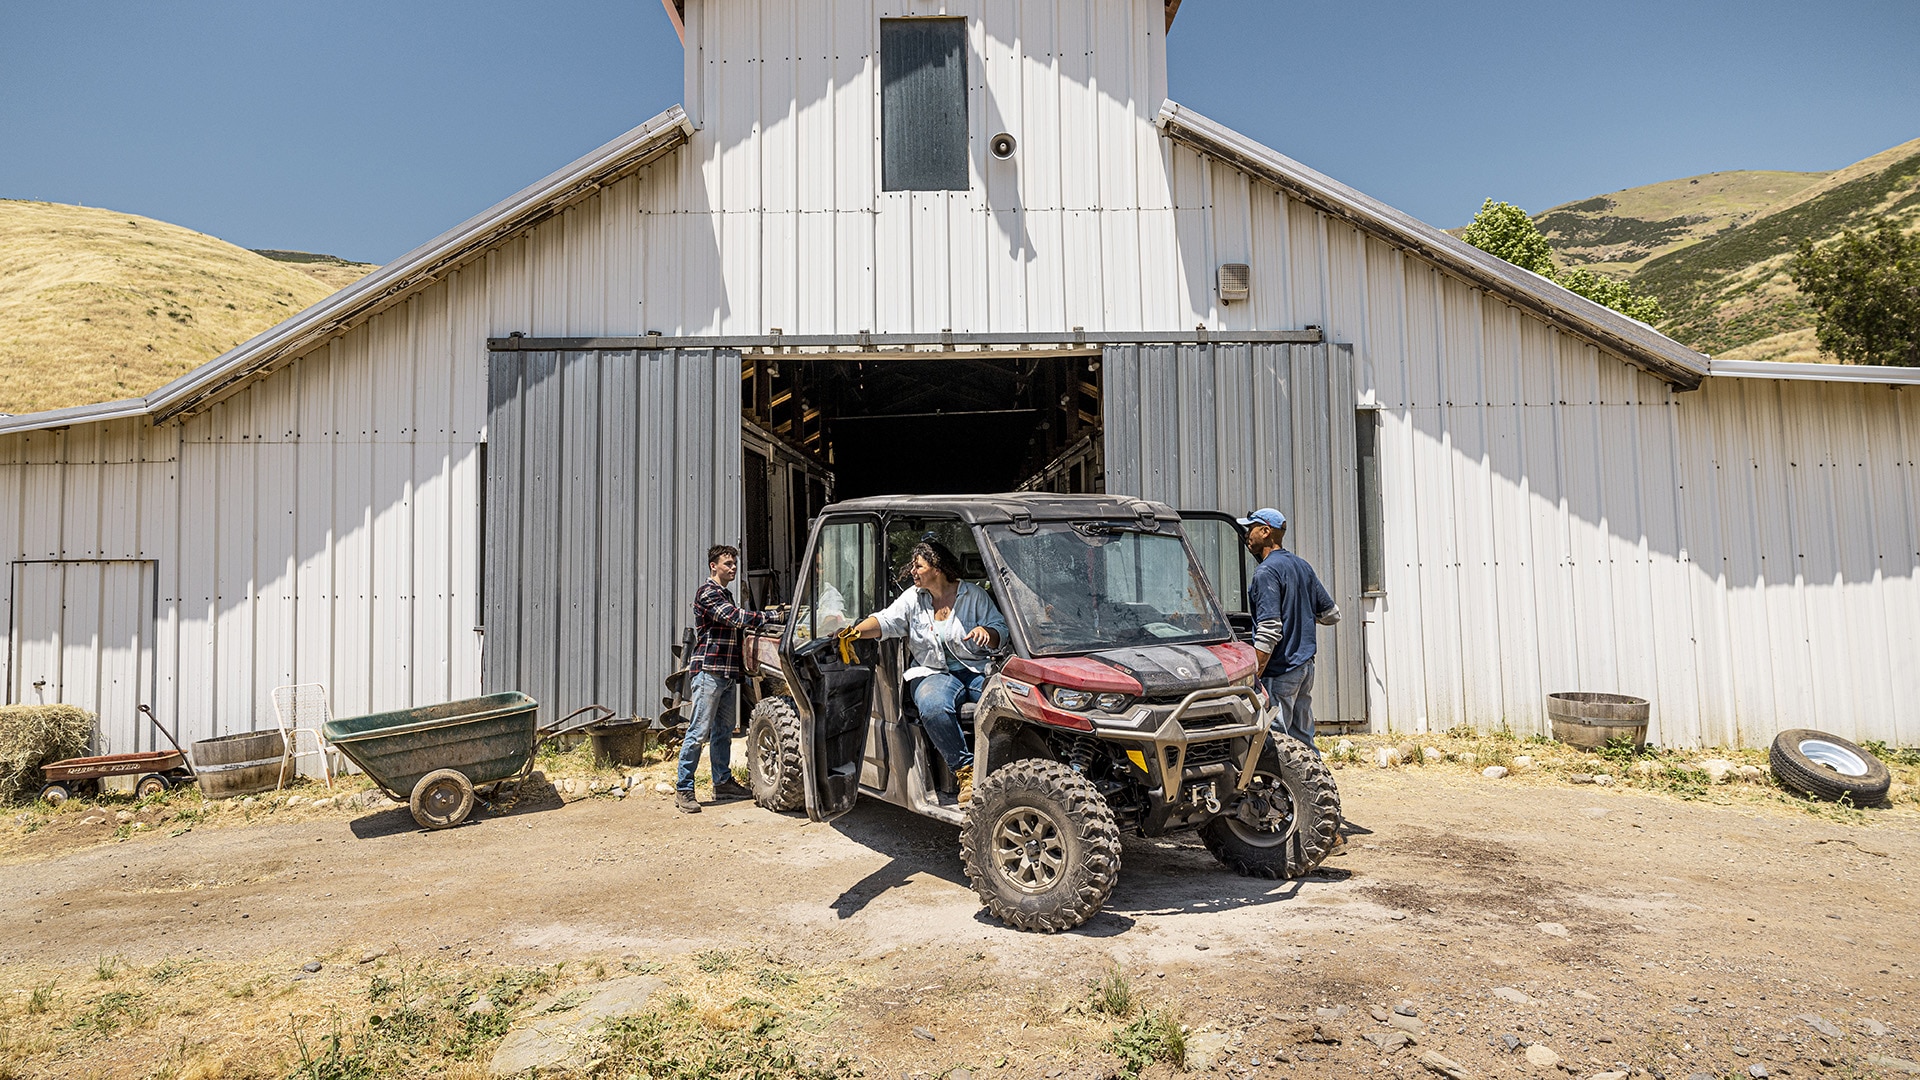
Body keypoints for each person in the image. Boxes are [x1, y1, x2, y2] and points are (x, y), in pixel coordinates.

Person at [844, 539, 1008, 798]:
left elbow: (1001, 628)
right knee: (933, 708)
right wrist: (854, 632)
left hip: (975, 670)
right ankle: (965, 772)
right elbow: (885, 621)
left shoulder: (973, 595)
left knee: (1010, 701)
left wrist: (987, 632)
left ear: (937, 568)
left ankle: (1008, 770)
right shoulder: (912, 598)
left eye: (918, 566)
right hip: (932, 672)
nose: (912, 571)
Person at [676, 544, 770, 814]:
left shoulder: (725, 594)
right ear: (713, 566)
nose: (733, 567)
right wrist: (771, 616)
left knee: (723, 732)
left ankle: (722, 782)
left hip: (727, 674)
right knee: (698, 731)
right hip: (708, 671)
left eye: (734, 563)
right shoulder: (708, 593)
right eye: (727, 563)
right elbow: (735, 618)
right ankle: (684, 788)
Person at [1241, 508, 1340, 756]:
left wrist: (1253, 677)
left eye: (1250, 528)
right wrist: (1300, 615)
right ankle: (1313, 790)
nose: (1246, 535)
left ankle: (1276, 792)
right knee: (1303, 740)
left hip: (1280, 671)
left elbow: (1269, 630)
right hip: (1304, 669)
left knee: (1275, 742)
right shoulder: (1302, 566)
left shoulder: (1266, 572)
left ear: (1266, 531)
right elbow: (1331, 614)